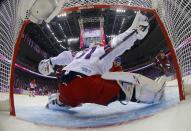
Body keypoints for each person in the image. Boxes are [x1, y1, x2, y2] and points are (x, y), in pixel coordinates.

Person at [38, 12, 165, 110]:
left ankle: (57, 102)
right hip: (85, 82)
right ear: (99, 45)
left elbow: (66, 55)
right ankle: (155, 96)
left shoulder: (80, 53)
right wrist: (135, 32)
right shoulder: (101, 51)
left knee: (70, 95)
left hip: (64, 83)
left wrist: (51, 61)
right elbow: (117, 44)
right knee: (123, 89)